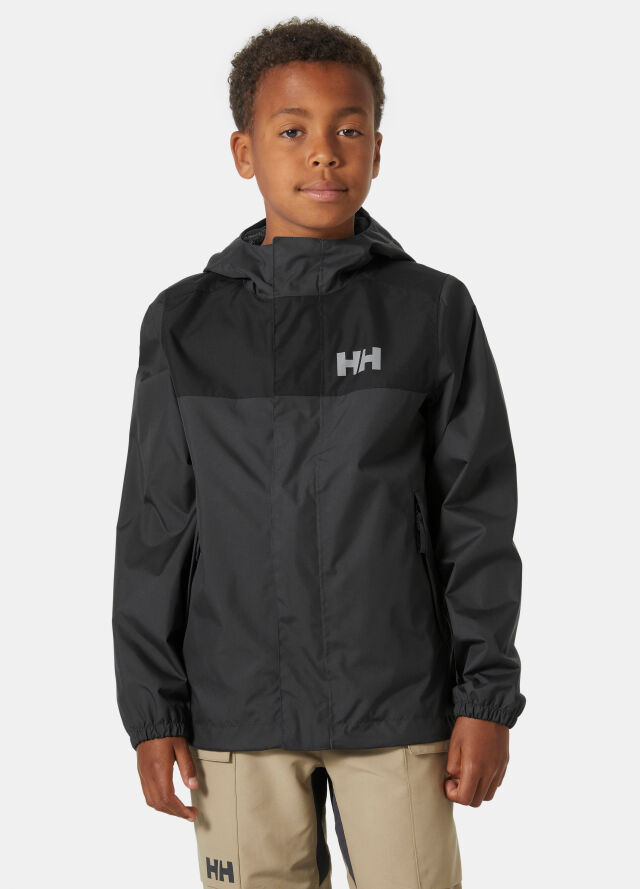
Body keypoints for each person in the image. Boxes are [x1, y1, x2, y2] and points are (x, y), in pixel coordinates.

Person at [112, 16, 526, 889]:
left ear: (378, 148)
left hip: (398, 703)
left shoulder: (431, 310)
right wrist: (153, 710)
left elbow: (477, 514)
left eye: (350, 129)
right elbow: (156, 524)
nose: (324, 154)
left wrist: (486, 697)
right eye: (292, 131)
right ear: (244, 151)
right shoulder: (183, 323)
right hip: (236, 708)